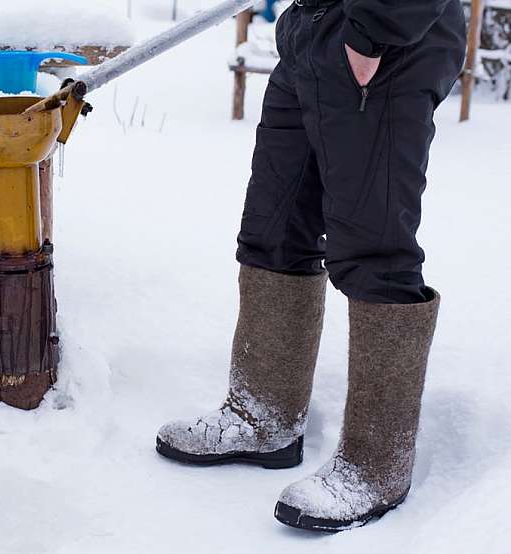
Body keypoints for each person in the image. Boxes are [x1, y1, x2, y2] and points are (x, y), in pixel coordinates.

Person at [155, 0, 467, 532]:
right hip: (311, 30)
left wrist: (373, 32)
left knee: (374, 249)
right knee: (273, 229)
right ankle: (263, 416)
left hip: (382, 39)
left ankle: (375, 467)